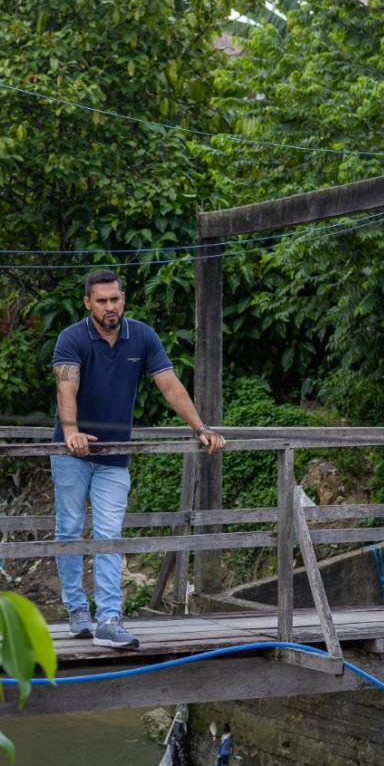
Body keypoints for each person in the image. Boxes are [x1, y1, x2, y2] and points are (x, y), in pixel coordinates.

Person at [52, 269, 224, 650]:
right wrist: (70, 432)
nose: (109, 307)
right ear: (87, 303)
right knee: (69, 529)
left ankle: (109, 619)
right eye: (101, 301)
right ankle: (77, 610)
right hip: (72, 452)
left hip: (116, 454)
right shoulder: (72, 338)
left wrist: (200, 427)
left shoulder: (142, 336)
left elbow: (169, 385)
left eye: (115, 299)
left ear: (123, 298)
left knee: (109, 533)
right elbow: (67, 386)